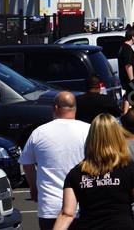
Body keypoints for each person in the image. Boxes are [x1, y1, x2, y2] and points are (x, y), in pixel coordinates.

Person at [54, 114, 134, 230]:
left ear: (91, 138)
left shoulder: (76, 173)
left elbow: (66, 214)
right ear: (118, 136)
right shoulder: (130, 169)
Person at [19, 92, 91, 230]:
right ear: (75, 108)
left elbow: (27, 163)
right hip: (83, 205)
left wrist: (34, 188)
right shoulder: (89, 130)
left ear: (56, 108)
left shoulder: (39, 132)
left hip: (50, 207)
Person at [118, 27, 134, 110]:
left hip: (125, 79)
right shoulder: (127, 49)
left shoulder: (123, 47)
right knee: (129, 97)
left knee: (128, 96)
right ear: (133, 37)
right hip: (128, 79)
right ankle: (125, 114)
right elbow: (128, 65)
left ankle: (125, 113)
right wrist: (132, 80)